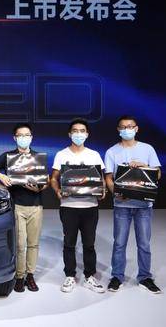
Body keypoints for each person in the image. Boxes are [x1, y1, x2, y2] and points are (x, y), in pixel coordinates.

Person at [0, 123, 47, 293]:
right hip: (17, 205)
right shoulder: (8, 156)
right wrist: (1, 176)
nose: (24, 138)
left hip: (36, 205)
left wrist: (38, 188)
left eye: (27, 135)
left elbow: (45, 181)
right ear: (15, 138)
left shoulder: (38, 158)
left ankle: (30, 275)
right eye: (20, 135)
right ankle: (19, 276)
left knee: (33, 244)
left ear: (31, 137)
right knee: (20, 245)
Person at [104, 115, 162, 294]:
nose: (127, 129)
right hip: (122, 205)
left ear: (136, 129)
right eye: (123, 127)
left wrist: (144, 166)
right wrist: (117, 193)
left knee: (144, 243)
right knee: (119, 243)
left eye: (130, 126)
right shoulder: (112, 152)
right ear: (118, 130)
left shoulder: (147, 149)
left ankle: (145, 277)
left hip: (144, 206)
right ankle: (117, 276)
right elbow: (108, 177)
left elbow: (158, 174)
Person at [50, 118, 106, 293]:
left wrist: (103, 190)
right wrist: (57, 191)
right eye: (75, 131)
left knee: (89, 244)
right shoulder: (61, 154)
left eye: (82, 131)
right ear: (69, 134)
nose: (79, 134)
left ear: (87, 134)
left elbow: (101, 179)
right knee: (69, 243)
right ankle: (70, 276)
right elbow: (54, 178)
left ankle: (90, 276)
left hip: (90, 206)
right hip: (69, 206)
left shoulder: (94, 155)